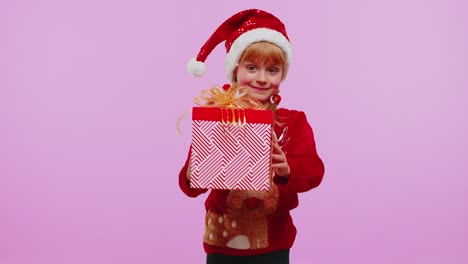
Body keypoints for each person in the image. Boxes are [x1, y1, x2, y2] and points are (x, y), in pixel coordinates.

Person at [179, 9, 325, 264]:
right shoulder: (218, 116)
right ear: (235, 70)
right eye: (251, 67)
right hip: (222, 243)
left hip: (274, 243)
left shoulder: (293, 121)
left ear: (282, 75)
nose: (261, 78)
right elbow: (191, 185)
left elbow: (314, 172)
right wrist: (193, 172)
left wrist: (287, 170)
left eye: (272, 70)